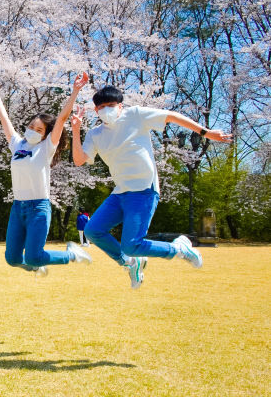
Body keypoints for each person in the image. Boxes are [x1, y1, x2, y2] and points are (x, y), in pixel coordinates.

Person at [71, 85, 232, 288]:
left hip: (143, 190)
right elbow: (79, 159)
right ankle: (129, 263)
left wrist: (205, 132)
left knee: (132, 244)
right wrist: (76, 130)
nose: (106, 110)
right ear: (96, 111)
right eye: (101, 107)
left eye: (111, 105)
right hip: (120, 192)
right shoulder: (95, 134)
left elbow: (171, 116)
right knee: (93, 230)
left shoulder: (136, 115)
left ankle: (179, 248)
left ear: (120, 105)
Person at [0, 73, 92, 278]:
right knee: (12, 259)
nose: (33, 131)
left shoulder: (46, 147)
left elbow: (61, 119)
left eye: (39, 129)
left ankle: (70, 254)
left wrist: (75, 91)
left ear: (45, 134)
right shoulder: (17, 144)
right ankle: (37, 266)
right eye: (30, 127)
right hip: (18, 208)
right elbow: (5, 121)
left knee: (34, 255)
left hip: (38, 208)